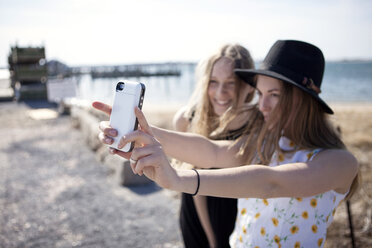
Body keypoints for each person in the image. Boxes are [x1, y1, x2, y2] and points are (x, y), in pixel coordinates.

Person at [93, 40, 359, 247]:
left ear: (303, 99)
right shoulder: (266, 141)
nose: (262, 106)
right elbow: (212, 151)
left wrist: (177, 179)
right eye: (261, 94)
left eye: (274, 95)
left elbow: (271, 182)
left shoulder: (339, 162)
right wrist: (140, 130)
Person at [172, 43, 255, 248]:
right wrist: (214, 239)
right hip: (198, 213)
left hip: (242, 213)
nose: (221, 92)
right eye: (213, 81)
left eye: (231, 83)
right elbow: (195, 186)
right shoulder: (186, 119)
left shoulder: (259, 122)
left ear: (247, 85)